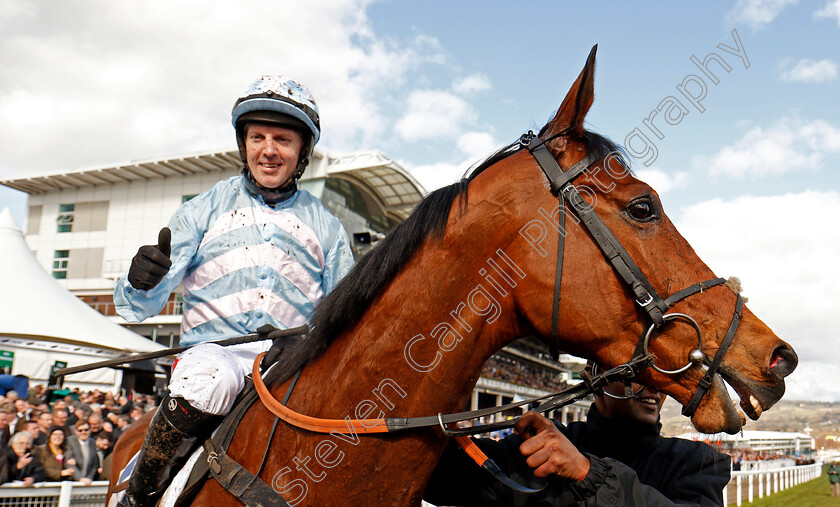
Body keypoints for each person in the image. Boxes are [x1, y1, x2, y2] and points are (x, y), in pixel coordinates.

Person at [113, 75, 354, 507]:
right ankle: (140, 494)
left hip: (291, 365)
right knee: (210, 381)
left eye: (282, 139)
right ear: (244, 144)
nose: (268, 149)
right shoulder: (201, 210)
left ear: (302, 152)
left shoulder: (329, 229)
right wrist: (140, 280)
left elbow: (345, 315)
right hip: (213, 355)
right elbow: (141, 306)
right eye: (257, 136)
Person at [424, 364, 730, 506]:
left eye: (661, 376)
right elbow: (437, 476)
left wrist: (588, 473)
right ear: (596, 377)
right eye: (638, 374)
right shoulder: (537, 448)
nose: (654, 387)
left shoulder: (699, 462)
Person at [66, 419, 98, 485]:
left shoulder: (93, 442)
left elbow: (95, 464)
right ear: (75, 431)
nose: (83, 432)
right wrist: (80, 478)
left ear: (90, 430)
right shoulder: (70, 441)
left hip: (89, 481)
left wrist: (89, 478)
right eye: (80, 430)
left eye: (86, 430)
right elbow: (69, 462)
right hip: (73, 481)